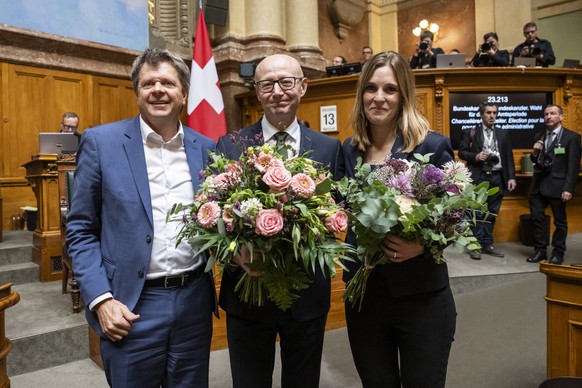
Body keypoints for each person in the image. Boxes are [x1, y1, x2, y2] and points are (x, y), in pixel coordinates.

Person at [66, 48, 217, 387]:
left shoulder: (206, 148)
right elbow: (80, 230)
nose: (158, 90)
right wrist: (101, 299)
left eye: (168, 82)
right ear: (137, 92)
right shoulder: (101, 142)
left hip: (193, 301)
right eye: (148, 83)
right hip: (130, 305)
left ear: (184, 93)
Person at [216, 53, 344, 388]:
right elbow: (215, 216)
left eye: (286, 82)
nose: (278, 91)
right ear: (257, 92)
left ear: (302, 86)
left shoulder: (330, 149)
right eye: (267, 84)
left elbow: (338, 214)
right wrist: (233, 253)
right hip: (248, 292)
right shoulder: (231, 146)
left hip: (305, 293)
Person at [343, 51, 456, 387]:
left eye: (390, 89)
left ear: (404, 95)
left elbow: (454, 216)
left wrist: (421, 246)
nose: (379, 98)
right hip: (364, 298)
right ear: (361, 93)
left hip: (420, 297)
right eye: (371, 88)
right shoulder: (348, 150)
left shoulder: (431, 147)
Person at [458, 102, 516, 260]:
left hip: (497, 176)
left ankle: (488, 244)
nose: (492, 116)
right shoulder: (470, 131)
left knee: (491, 213)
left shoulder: (503, 133)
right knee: (476, 212)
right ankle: (475, 245)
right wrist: (475, 157)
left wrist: (511, 177)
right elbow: (462, 152)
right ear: (481, 114)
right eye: (489, 113)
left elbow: (508, 157)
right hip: (479, 175)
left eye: (495, 113)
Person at [526, 104, 581, 264]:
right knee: (536, 218)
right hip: (537, 187)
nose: (548, 117)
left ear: (561, 117)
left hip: (558, 186)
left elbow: (573, 165)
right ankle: (540, 251)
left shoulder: (571, 137)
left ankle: (558, 253)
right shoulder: (539, 135)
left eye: (553, 113)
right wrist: (534, 152)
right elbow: (536, 161)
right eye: (546, 114)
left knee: (560, 222)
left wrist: (569, 188)